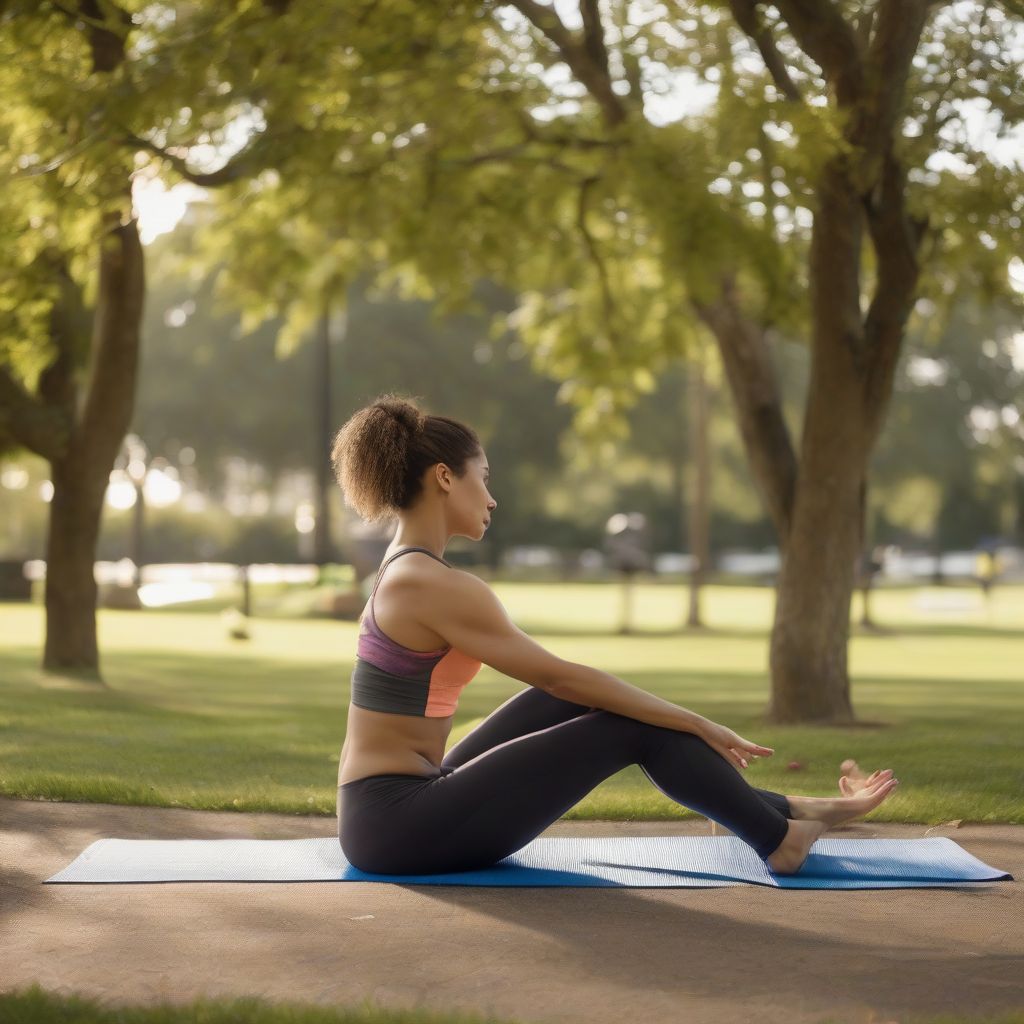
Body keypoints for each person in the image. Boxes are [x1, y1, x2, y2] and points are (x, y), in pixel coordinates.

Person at [331, 394, 900, 877]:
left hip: (396, 807)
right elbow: (563, 674)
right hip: (395, 824)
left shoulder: (404, 567)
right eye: (484, 477)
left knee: (565, 702)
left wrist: (684, 722)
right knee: (631, 725)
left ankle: (781, 810)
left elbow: (559, 686)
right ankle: (779, 841)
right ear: (445, 478)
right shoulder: (431, 583)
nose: (492, 497)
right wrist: (696, 723)